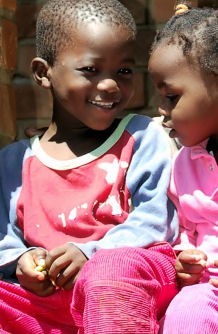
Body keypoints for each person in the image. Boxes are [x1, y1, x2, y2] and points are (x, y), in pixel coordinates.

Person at [0, 0, 179, 333]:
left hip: (129, 283)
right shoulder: (12, 163)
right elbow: (4, 236)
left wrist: (93, 252)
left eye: (123, 71)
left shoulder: (141, 137)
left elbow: (157, 219)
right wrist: (20, 261)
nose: (111, 85)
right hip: (50, 299)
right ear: (43, 73)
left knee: (108, 273)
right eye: (91, 70)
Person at [148, 2, 218, 333]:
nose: (162, 109)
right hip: (208, 293)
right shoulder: (183, 164)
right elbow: (188, 233)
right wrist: (186, 260)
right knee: (184, 314)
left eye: (172, 97)